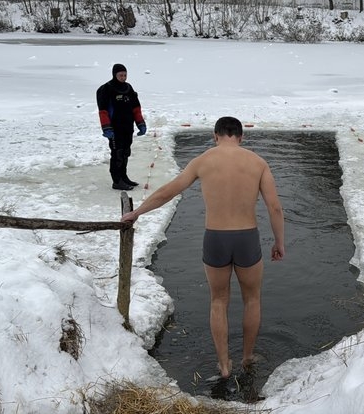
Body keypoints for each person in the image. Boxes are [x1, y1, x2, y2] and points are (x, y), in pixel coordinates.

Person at [120, 116, 286, 379]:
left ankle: (223, 365)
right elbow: (275, 207)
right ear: (241, 137)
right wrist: (279, 242)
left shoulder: (202, 161)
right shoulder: (258, 163)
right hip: (247, 238)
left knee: (218, 301)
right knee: (252, 300)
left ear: (215, 135)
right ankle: (246, 358)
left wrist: (137, 212)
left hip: (215, 238)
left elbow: (168, 191)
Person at [96, 63, 147, 191]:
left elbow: (136, 108)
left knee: (125, 153)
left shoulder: (128, 88)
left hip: (127, 127)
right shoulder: (107, 89)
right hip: (114, 129)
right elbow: (103, 111)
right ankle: (117, 181)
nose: (123, 77)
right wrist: (106, 128)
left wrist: (141, 124)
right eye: (121, 75)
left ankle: (124, 177)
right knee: (117, 154)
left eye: (125, 75)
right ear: (115, 74)